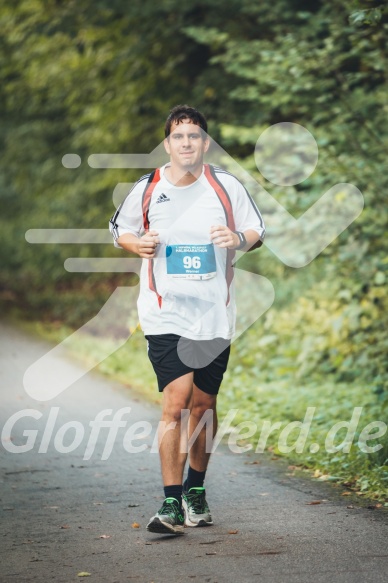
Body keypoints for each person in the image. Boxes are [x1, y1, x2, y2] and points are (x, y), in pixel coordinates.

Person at [109, 105, 265, 535]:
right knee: (176, 402)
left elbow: (256, 228)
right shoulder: (148, 187)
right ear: (167, 144)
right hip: (165, 312)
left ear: (205, 142)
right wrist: (136, 244)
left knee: (203, 405)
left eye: (194, 136)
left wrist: (237, 238)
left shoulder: (226, 185)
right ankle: (171, 500)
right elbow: (119, 229)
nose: (187, 143)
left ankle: (196, 489)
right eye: (179, 137)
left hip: (214, 313)